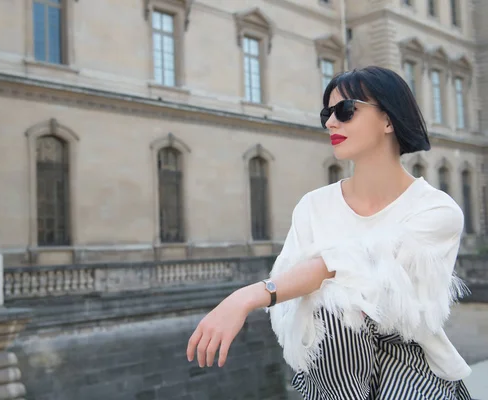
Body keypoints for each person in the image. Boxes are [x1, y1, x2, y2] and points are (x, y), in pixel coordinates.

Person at [186, 66, 473, 399]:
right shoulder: (313, 206)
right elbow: (293, 304)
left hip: (411, 368)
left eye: (346, 111)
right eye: (327, 113)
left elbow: (367, 266)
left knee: (336, 299)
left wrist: (249, 295)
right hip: (331, 369)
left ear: (388, 120)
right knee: (329, 308)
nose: (330, 123)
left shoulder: (436, 211)